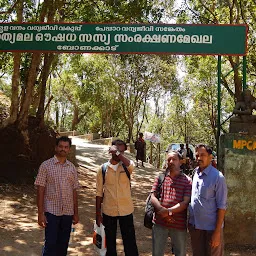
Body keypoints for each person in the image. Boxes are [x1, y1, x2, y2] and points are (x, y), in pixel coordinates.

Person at [34, 136, 79, 256]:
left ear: (69, 149)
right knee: (50, 244)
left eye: (66, 147)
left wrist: (76, 213)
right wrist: (40, 213)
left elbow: (74, 191)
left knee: (63, 244)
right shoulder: (46, 166)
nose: (63, 149)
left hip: (68, 212)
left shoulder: (72, 168)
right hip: (51, 211)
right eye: (60, 146)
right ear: (56, 147)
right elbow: (40, 190)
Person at [96, 139, 139, 256]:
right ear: (111, 150)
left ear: (124, 150)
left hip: (126, 210)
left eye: (121, 149)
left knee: (130, 241)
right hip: (109, 211)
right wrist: (98, 215)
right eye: (116, 149)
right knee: (109, 243)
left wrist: (119, 154)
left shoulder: (127, 166)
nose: (118, 152)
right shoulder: (103, 169)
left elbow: (131, 166)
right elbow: (99, 193)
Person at [150, 150, 192, 256]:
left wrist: (168, 212)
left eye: (174, 159)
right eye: (169, 159)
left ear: (180, 161)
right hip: (159, 222)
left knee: (180, 253)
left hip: (178, 224)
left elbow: (185, 202)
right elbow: (153, 196)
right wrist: (161, 210)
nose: (171, 161)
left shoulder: (187, 181)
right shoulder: (160, 177)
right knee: (157, 253)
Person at [188, 144, 228, 256]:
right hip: (196, 228)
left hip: (211, 229)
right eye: (197, 155)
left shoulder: (218, 178)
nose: (199, 158)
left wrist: (217, 232)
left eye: (203, 155)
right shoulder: (195, 173)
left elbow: (222, 206)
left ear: (210, 157)